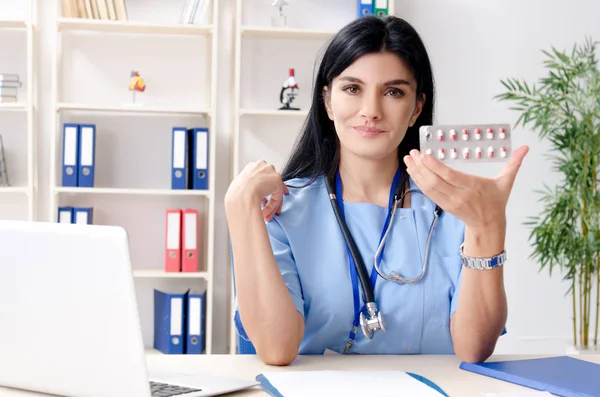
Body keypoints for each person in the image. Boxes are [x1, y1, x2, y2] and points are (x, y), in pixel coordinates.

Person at [225, 15, 528, 366]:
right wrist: (238, 203)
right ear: (327, 101)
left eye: (393, 92)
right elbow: (277, 349)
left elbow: (474, 349)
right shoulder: (280, 211)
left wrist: (488, 225)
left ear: (416, 108)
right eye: (352, 88)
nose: (371, 111)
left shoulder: (455, 205)